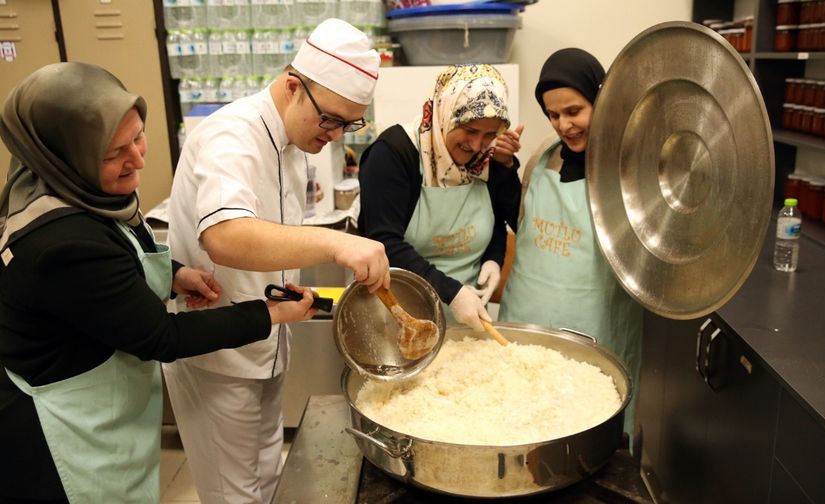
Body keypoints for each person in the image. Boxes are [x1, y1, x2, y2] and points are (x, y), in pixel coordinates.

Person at [0, 62, 319, 503]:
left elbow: (119, 257)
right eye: (114, 154)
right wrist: (271, 314)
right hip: (62, 427)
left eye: (138, 136)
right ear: (64, 154)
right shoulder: (61, 241)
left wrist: (174, 275)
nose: (138, 159)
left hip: (102, 402)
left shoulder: (83, 192)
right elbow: (161, 335)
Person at [165, 18, 391, 503]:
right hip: (220, 357)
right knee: (235, 493)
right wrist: (336, 245)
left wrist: (288, 284)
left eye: (349, 125)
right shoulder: (232, 135)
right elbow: (226, 236)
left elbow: (272, 233)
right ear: (294, 87)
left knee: (265, 479)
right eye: (330, 120)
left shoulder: (293, 141)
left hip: (265, 339)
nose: (334, 135)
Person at [498, 48, 643, 441]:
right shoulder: (541, 160)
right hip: (525, 327)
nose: (564, 125)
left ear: (602, 100)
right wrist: (505, 170)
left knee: (587, 433)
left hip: (594, 335)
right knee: (516, 429)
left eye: (575, 111)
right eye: (553, 115)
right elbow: (521, 223)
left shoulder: (628, 169)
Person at [358, 64, 523, 332]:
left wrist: (494, 258)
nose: (477, 145)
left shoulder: (486, 159)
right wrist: (452, 293)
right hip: (398, 318)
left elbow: (496, 221)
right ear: (445, 113)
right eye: (470, 130)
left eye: (489, 134)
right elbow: (384, 242)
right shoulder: (394, 154)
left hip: (466, 320)